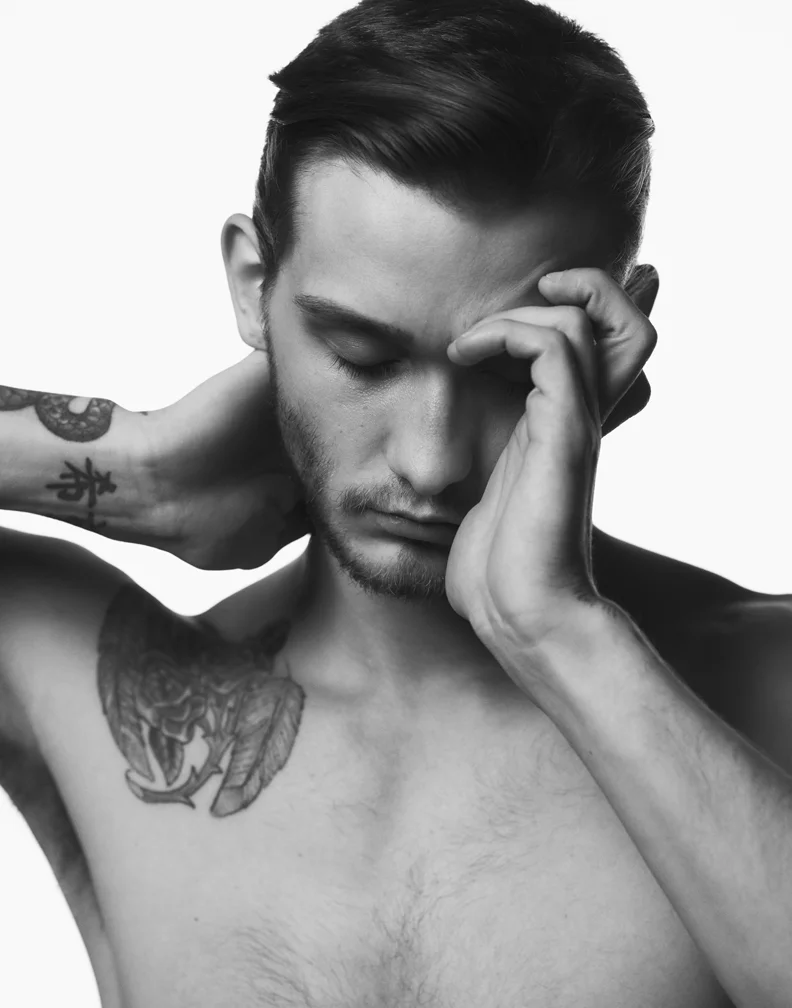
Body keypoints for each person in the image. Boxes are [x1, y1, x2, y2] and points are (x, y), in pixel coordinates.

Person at [1, 0, 790, 1005]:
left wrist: (559, 637)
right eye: (363, 356)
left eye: (508, 368)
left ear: (612, 337)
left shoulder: (767, 686)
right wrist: (134, 463)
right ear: (253, 284)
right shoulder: (87, 684)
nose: (429, 461)